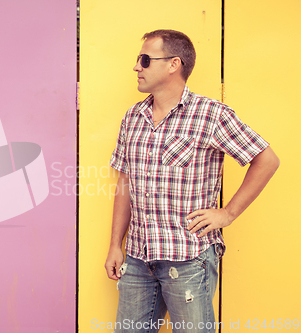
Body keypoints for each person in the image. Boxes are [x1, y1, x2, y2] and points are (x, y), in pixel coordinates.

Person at [105, 29, 280, 333]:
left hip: (187, 258)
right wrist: (115, 245)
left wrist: (228, 213)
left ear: (174, 64)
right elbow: (125, 183)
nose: (137, 67)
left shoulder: (211, 115)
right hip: (137, 258)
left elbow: (266, 160)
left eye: (145, 60)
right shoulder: (132, 117)